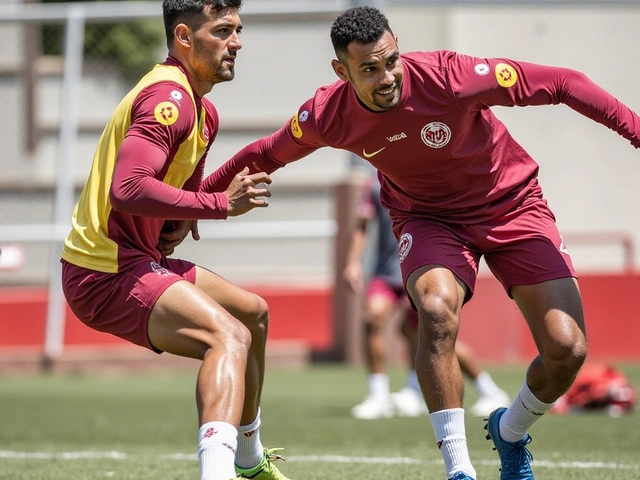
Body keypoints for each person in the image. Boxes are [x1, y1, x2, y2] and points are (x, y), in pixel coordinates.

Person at [199, 6, 640, 480]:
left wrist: (636, 132)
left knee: (567, 350)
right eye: (368, 69)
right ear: (341, 72)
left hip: (513, 205)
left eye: (391, 60)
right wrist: (199, 202)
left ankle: (509, 431)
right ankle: (460, 471)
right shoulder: (328, 114)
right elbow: (265, 153)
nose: (386, 76)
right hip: (428, 219)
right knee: (434, 309)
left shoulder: (452, 75)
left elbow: (563, 82)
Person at [60, 1, 290, 480]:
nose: (237, 42)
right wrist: (220, 205)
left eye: (238, 29)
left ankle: (248, 459)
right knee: (228, 336)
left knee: (253, 313)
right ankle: (218, 473)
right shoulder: (171, 98)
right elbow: (128, 188)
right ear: (184, 37)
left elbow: (176, 202)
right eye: (223, 30)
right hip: (102, 271)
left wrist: (194, 210)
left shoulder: (203, 111)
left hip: (137, 260)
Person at [344, 174, 509, 420]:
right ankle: (380, 396)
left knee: (432, 334)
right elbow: (361, 225)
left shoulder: (427, 173)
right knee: (372, 319)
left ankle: (490, 391)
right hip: (387, 272)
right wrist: (352, 262)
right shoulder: (374, 183)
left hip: (422, 269)